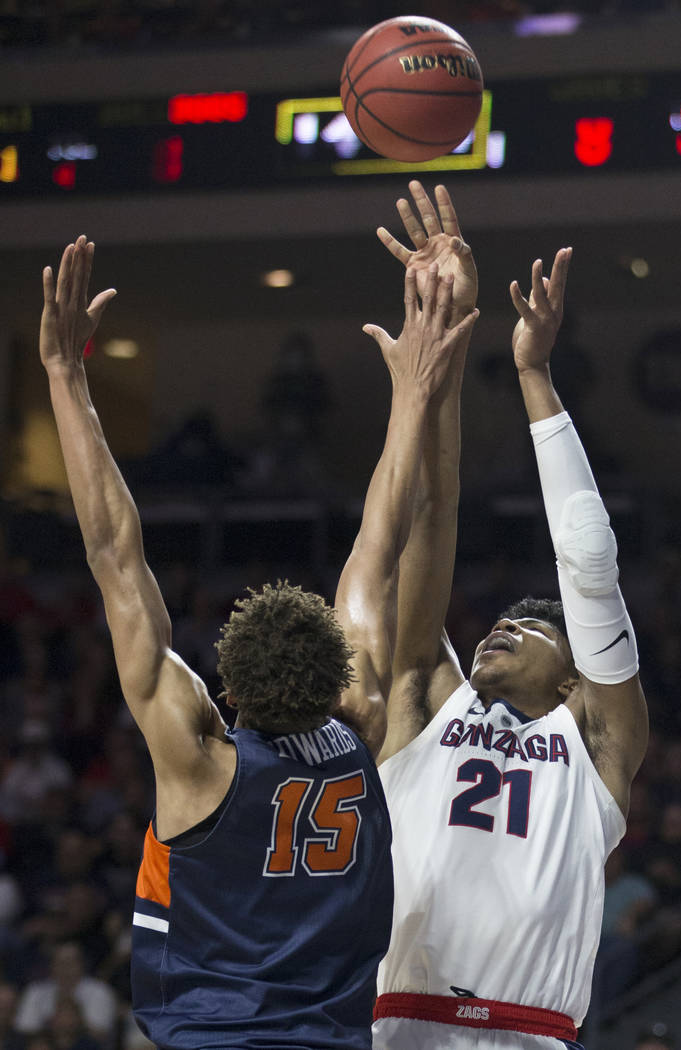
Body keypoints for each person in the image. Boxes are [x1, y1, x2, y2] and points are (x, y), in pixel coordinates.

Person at [39, 235, 474, 1050]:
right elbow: (377, 548)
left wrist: (67, 376)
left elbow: (112, 553)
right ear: (341, 674)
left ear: (223, 693)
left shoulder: (198, 759)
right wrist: (413, 389)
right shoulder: (362, 723)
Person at [340, 182, 649, 1049]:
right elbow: (430, 519)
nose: (499, 628)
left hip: (532, 1030)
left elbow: (589, 569)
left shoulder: (596, 746)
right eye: (500, 621)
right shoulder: (424, 703)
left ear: (571, 677)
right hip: (398, 1025)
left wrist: (532, 372)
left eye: (532, 627)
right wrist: (441, 346)